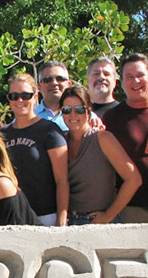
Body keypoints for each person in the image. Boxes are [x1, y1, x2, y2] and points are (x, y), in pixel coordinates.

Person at [60, 85, 141, 225]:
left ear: (88, 111)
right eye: (67, 110)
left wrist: (109, 215)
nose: (72, 115)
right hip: (70, 222)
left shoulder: (103, 138)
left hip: (100, 222)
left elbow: (134, 179)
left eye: (79, 109)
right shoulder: (61, 142)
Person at [102, 53, 148, 223]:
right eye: (129, 77)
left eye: (140, 75)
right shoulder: (111, 118)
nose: (136, 81)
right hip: (131, 208)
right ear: (121, 82)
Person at [1, 72, 69, 226]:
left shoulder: (50, 131)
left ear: (35, 96)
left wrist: (61, 220)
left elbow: (62, 180)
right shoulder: (2, 134)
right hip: (13, 216)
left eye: (26, 95)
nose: (20, 100)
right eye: (14, 96)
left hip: (46, 216)